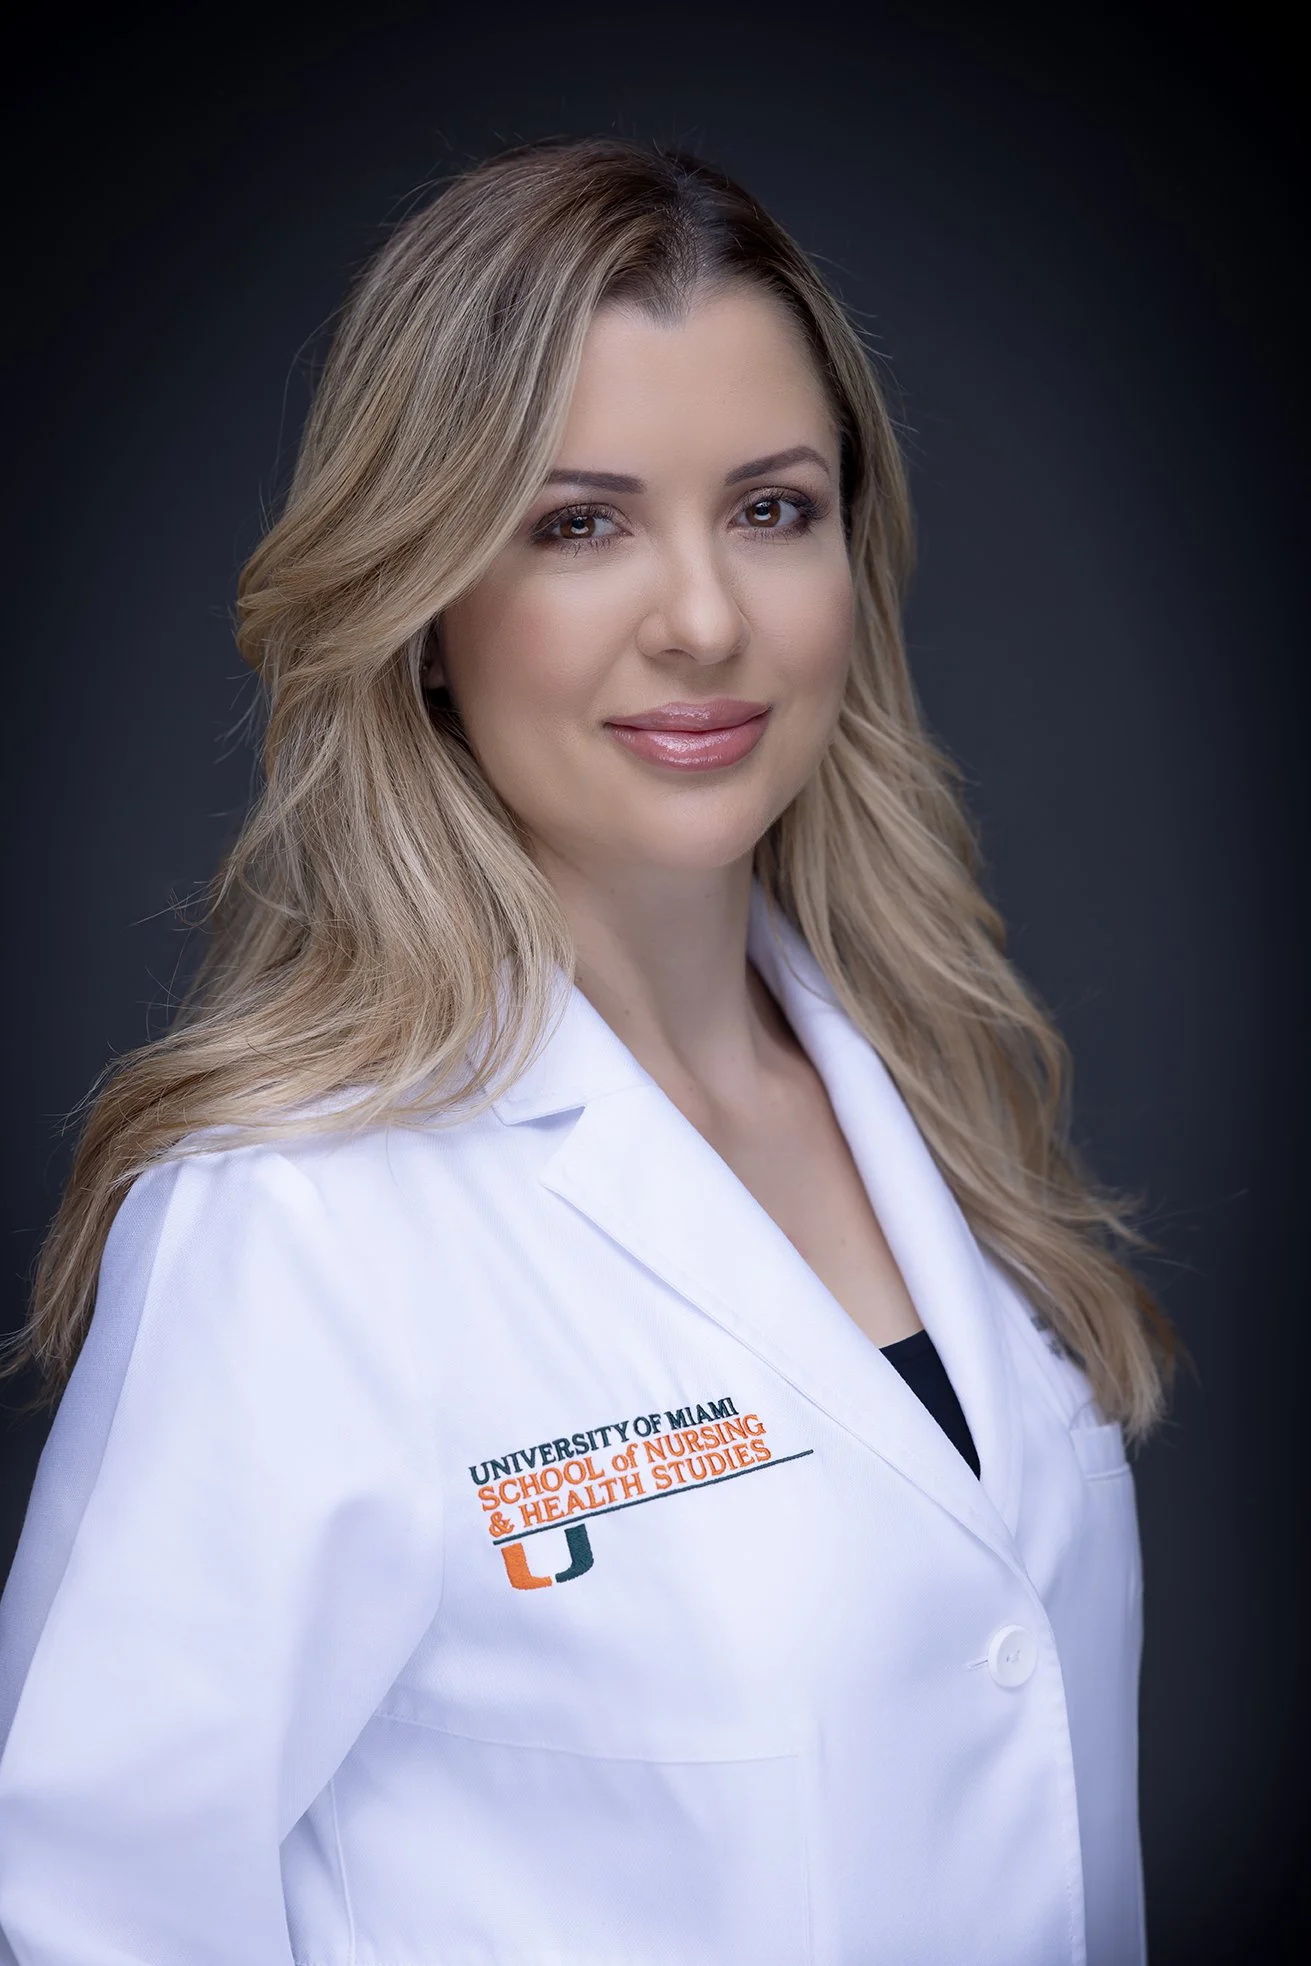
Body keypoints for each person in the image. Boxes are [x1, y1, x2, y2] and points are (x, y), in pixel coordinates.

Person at [0, 134, 1177, 1966]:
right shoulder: (293, 1224)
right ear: (429, 617)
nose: (701, 615)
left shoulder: (926, 1093)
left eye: (772, 507)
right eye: (579, 521)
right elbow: (93, 1916)